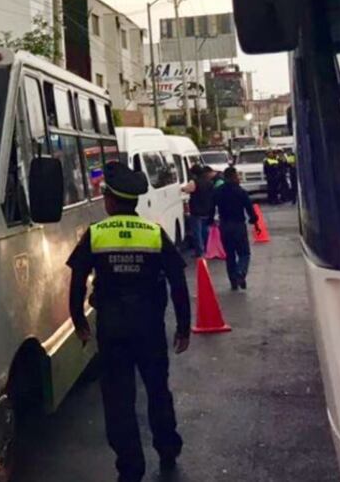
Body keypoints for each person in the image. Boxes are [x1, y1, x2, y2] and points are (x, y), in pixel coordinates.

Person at [67, 162, 192, 481]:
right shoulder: (153, 233)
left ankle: (130, 466)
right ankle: (167, 448)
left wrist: (78, 320)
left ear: (109, 200)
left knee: (118, 399)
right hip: (149, 327)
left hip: (113, 329)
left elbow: (78, 279)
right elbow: (178, 280)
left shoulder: (96, 234)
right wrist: (183, 326)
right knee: (157, 390)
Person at [211, 167, 260, 291]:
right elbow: (249, 208)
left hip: (224, 226)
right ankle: (240, 272)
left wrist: (211, 220)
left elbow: (211, 208)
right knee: (244, 253)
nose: (238, 178)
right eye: (237, 176)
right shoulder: (241, 191)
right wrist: (254, 220)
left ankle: (233, 281)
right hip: (238, 225)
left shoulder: (217, 191)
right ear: (233, 177)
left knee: (230, 255)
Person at [181, 165, 216, 259]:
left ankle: (200, 252)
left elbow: (186, 189)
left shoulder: (194, 182)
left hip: (196, 210)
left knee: (197, 232)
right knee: (205, 231)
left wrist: (181, 188)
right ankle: (206, 249)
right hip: (207, 210)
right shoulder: (209, 182)